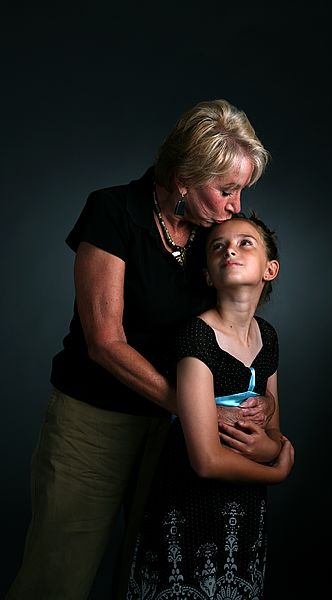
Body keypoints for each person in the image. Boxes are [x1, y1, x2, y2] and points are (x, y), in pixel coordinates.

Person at [6, 99, 276, 600]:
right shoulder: (114, 211)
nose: (235, 207)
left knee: (151, 576)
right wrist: (197, 410)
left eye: (241, 191)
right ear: (182, 178)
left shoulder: (216, 235)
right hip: (95, 419)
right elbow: (105, 342)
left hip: (178, 431)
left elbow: (238, 325)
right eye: (226, 190)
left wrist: (261, 401)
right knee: (58, 572)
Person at [125, 214, 295, 600]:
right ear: (207, 275)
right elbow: (206, 460)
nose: (230, 249)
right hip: (187, 502)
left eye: (245, 242)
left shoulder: (267, 337)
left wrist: (270, 449)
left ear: (270, 269)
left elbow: (273, 435)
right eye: (218, 246)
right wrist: (277, 472)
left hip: (245, 506)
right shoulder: (197, 337)